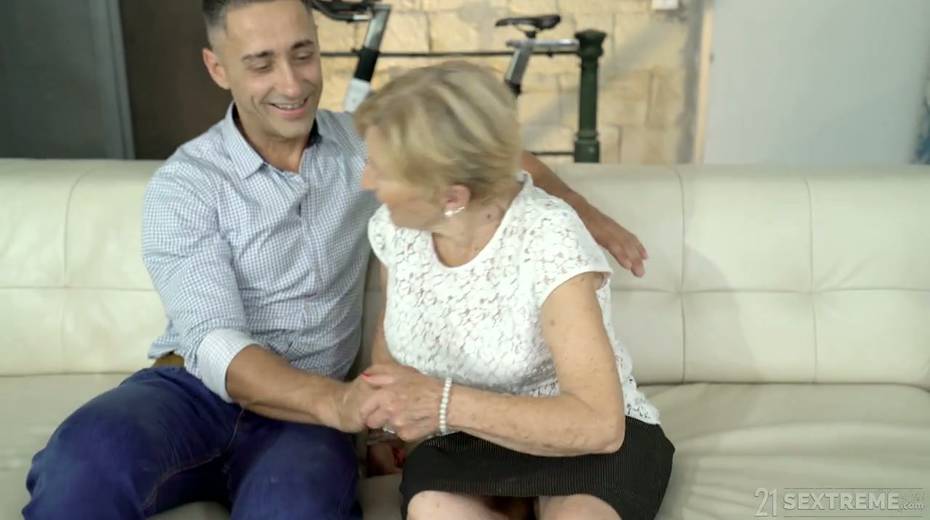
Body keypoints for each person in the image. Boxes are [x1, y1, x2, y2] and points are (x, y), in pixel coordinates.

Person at [23, 1, 649, 518]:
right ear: (218, 67)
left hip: (304, 421)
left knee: (297, 505)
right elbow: (211, 340)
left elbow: (489, 159)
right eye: (261, 63)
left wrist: (583, 213)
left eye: (303, 54)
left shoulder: (363, 146)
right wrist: (341, 406)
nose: (292, 83)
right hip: (192, 392)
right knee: (82, 461)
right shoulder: (185, 185)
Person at [356, 61, 675, 520]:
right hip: (464, 439)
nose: (366, 181)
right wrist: (384, 431)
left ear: (452, 197)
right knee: (433, 509)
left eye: (381, 170)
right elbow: (393, 340)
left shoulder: (548, 237)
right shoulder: (395, 227)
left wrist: (444, 403)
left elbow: (600, 425)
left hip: (582, 443)